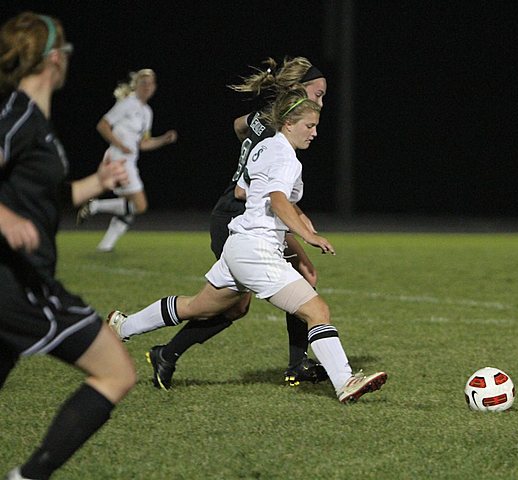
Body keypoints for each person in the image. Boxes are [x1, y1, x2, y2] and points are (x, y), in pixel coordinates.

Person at [107, 87, 387, 404]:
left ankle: (123, 326)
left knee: (194, 307)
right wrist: (307, 235)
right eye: (309, 125)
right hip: (258, 251)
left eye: (316, 126)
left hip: (238, 245)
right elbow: (278, 200)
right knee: (317, 310)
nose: (315, 132)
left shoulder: (262, 148)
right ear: (289, 123)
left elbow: (245, 190)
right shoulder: (287, 158)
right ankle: (344, 381)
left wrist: (297, 215)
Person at [0, 12, 136, 479]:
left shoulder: (36, 122)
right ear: (54, 58)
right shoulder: (16, 116)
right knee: (116, 371)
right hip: (18, 284)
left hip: (14, 284)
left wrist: (96, 183)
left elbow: (48, 202)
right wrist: (6, 218)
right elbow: (15, 211)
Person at [144, 57, 329, 390]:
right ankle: (161, 349)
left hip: (239, 213)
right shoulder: (280, 130)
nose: (320, 102)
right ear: (299, 90)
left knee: (250, 298)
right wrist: (301, 224)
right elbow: (248, 191)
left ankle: (295, 364)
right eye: (317, 94)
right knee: (228, 303)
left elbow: (238, 125)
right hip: (238, 215)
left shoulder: (265, 118)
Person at [76, 68, 178, 252]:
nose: (147, 87)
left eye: (150, 83)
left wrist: (163, 139)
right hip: (118, 159)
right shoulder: (127, 104)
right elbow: (103, 125)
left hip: (129, 160)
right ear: (136, 85)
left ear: (155, 87)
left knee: (128, 208)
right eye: (143, 83)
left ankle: (105, 246)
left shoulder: (147, 112)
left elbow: (143, 144)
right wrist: (120, 144)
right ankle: (95, 206)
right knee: (140, 205)